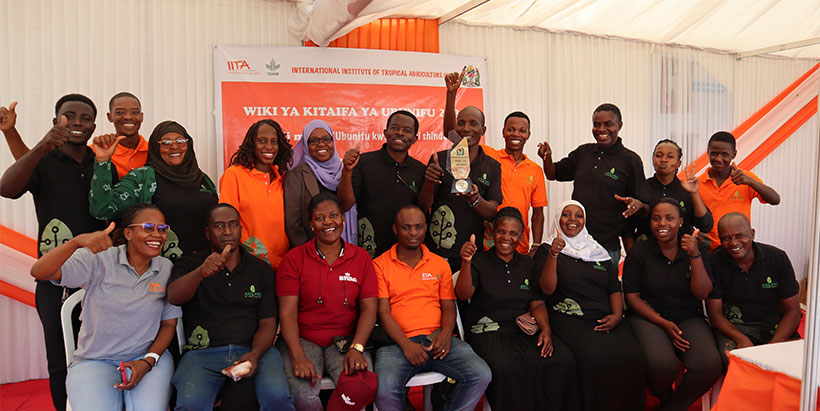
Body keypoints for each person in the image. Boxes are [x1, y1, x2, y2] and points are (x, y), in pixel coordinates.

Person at [0, 94, 117, 411]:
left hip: (102, 278)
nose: (77, 123)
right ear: (56, 122)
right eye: (69, 116)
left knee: (104, 354)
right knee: (61, 357)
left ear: (94, 125)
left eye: (85, 118)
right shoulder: (43, 161)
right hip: (55, 279)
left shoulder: (103, 162)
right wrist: (39, 144)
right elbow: (7, 188)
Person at [29, 203, 181, 410]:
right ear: (128, 233)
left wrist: (147, 362)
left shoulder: (165, 268)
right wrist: (75, 243)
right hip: (95, 361)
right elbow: (40, 272)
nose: (157, 235)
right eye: (148, 227)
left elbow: (168, 324)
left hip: (146, 358)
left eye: (162, 229)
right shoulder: (98, 259)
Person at [168, 203, 294, 410]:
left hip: (255, 351)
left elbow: (268, 322)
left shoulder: (260, 269)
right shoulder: (190, 263)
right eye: (219, 226)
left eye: (233, 225)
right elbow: (174, 296)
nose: (227, 232)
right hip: (202, 355)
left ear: (240, 229)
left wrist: (254, 354)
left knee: (278, 398)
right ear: (208, 233)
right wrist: (201, 272)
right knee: (191, 405)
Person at [456, 207, 578, 410]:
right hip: (488, 331)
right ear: (493, 233)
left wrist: (546, 330)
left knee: (562, 358)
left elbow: (537, 302)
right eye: (501, 231)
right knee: (506, 365)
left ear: (521, 237)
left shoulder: (527, 264)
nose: (506, 237)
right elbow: (463, 294)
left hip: (521, 330)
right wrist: (466, 263)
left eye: (513, 233)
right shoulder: (479, 261)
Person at [372, 204, 491, 411]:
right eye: (406, 227)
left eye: (418, 227)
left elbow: (448, 306)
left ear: (426, 228)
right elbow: (382, 312)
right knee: (384, 388)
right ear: (395, 229)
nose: (413, 233)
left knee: (481, 374)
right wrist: (406, 345)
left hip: (437, 340)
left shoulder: (439, 264)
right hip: (396, 344)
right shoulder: (380, 265)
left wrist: (446, 333)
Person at [534, 200, 646, 411]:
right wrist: (553, 256)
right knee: (594, 357)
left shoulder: (598, 251)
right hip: (568, 317)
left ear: (585, 220)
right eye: (566, 215)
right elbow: (546, 289)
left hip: (605, 316)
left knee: (634, 355)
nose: (573, 220)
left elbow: (614, 287)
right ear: (558, 219)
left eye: (579, 215)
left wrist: (616, 315)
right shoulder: (547, 249)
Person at [276, 192, 377, 410]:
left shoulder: (361, 258)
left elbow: (369, 309)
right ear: (311, 224)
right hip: (303, 339)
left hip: (346, 340)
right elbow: (287, 314)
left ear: (343, 218)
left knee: (357, 386)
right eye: (320, 218)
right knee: (302, 395)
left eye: (334, 215)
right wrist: (298, 356)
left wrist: (357, 347)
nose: (328, 222)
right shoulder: (294, 259)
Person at [623, 198, 722, 411]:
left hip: (687, 316)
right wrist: (663, 323)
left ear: (681, 221)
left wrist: (694, 256)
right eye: (656, 219)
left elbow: (703, 292)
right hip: (648, 317)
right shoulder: (638, 253)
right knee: (662, 365)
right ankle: (667, 399)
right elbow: (632, 297)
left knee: (710, 365)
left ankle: (672, 407)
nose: (662, 224)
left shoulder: (697, 250)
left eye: (669, 218)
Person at [443, 70, 547, 255]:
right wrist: (451, 94)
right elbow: (453, 135)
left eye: (522, 131)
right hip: (487, 240)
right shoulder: (489, 156)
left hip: (518, 242)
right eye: (511, 129)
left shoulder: (536, 170)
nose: (516, 134)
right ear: (503, 132)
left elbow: (538, 214)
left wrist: (536, 246)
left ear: (528, 135)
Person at [89, 120, 218, 259]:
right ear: (156, 148)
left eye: (180, 141)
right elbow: (102, 210)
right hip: (158, 269)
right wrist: (102, 162)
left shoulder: (203, 179)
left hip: (203, 266)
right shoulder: (142, 178)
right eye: (166, 143)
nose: (174, 146)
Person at [540, 103, 648, 261]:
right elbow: (553, 173)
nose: (601, 129)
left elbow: (644, 207)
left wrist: (637, 205)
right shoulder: (584, 152)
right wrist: (547, 157)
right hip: (574, 244)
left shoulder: (630, 160)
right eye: (596, 125)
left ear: (620, 125)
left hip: (606, 247)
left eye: (608, 124)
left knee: (605, 286)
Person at [706, 213, 801, 368]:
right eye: (726, 238)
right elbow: (715, 314)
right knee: (735, 364)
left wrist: (774, 345)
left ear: (752, 234)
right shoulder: (714, 262)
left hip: (774, 326)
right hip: (735, 328)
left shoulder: (777, 258)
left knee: (792, 365)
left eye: (740, 236)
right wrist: (741, 339)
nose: (733, 243)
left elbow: (793, 310)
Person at [419, 101, 502, 273]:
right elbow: (423, 206)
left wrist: (476, 199)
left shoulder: (492, 166)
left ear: (483, 130)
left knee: (466, 298)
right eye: (461, 122)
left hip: (472, 251)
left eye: (473, 124)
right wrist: (429, 182)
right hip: (437, 250)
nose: (466, 128)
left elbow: (492, 212)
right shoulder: (439, 160)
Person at [337, 110, 427, 258]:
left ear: (415, 138)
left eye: (407, 130)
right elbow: (345, 205)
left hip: (405, 254)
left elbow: (423, 209)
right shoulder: (364, 163)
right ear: (385, 133)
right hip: (369, 251)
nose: (400, 133)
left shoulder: (420, 170)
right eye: (395, 128)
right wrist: (347, 171)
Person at [220, 119, 293, 267]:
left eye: (274, 141)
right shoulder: (234, 175)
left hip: (283, 264)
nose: (269, 147)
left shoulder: (284, 178)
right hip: (248, 263)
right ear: (252, 144)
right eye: (262, 141)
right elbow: (226, 223)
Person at [697, 131, 780, 249]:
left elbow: (775, 200)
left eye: (724, 154)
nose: (718, 159)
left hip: (738, 248)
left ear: (734, 154)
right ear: (708, 152)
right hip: (709, 249)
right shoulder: (698, 183)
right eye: (714, 153)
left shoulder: (745, 178)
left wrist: (749, 181)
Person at [284, 120, 356, 248]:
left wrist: (347, 171)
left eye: (326, 139)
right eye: (314, 141)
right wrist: (307, 253)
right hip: (311, 251)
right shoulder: (296, 176)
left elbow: (346, 205)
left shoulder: (345, 169)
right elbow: (293, 224)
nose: (321, 144)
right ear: (305, 145)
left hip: (345, 247)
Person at [631, 139, 713, 242]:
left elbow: (706, 225)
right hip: (646, 253)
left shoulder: (686, 189)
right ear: (653, 160)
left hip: (681, 253)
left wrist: (694, 193)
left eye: (670, 157)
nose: (663, 160)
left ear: (679, 163)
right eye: (659, 156)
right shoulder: (642, 187)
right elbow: (629, 227)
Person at [91, 92, 149, 178]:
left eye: (135, 112)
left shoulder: (154, 151)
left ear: (141, 116)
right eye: (120, 112)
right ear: (110, 117)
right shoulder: (96, 151)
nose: (128, 117)